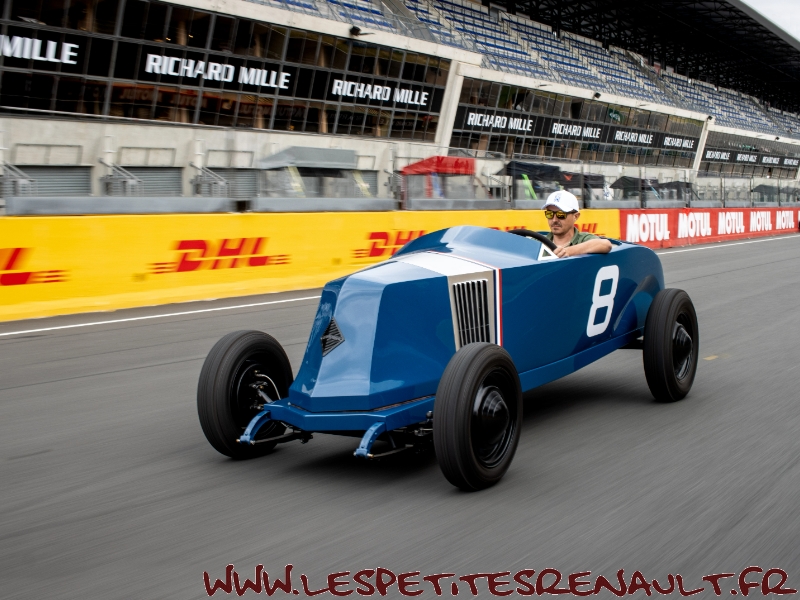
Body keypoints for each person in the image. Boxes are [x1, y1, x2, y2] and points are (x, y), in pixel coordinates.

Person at [543, 191, 612, 258]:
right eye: (549, 214)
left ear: (575, 216)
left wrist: (567, 251)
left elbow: (605, 245)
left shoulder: (583, 239)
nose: (554, 220)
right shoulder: (539, 242)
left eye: (561, 214)